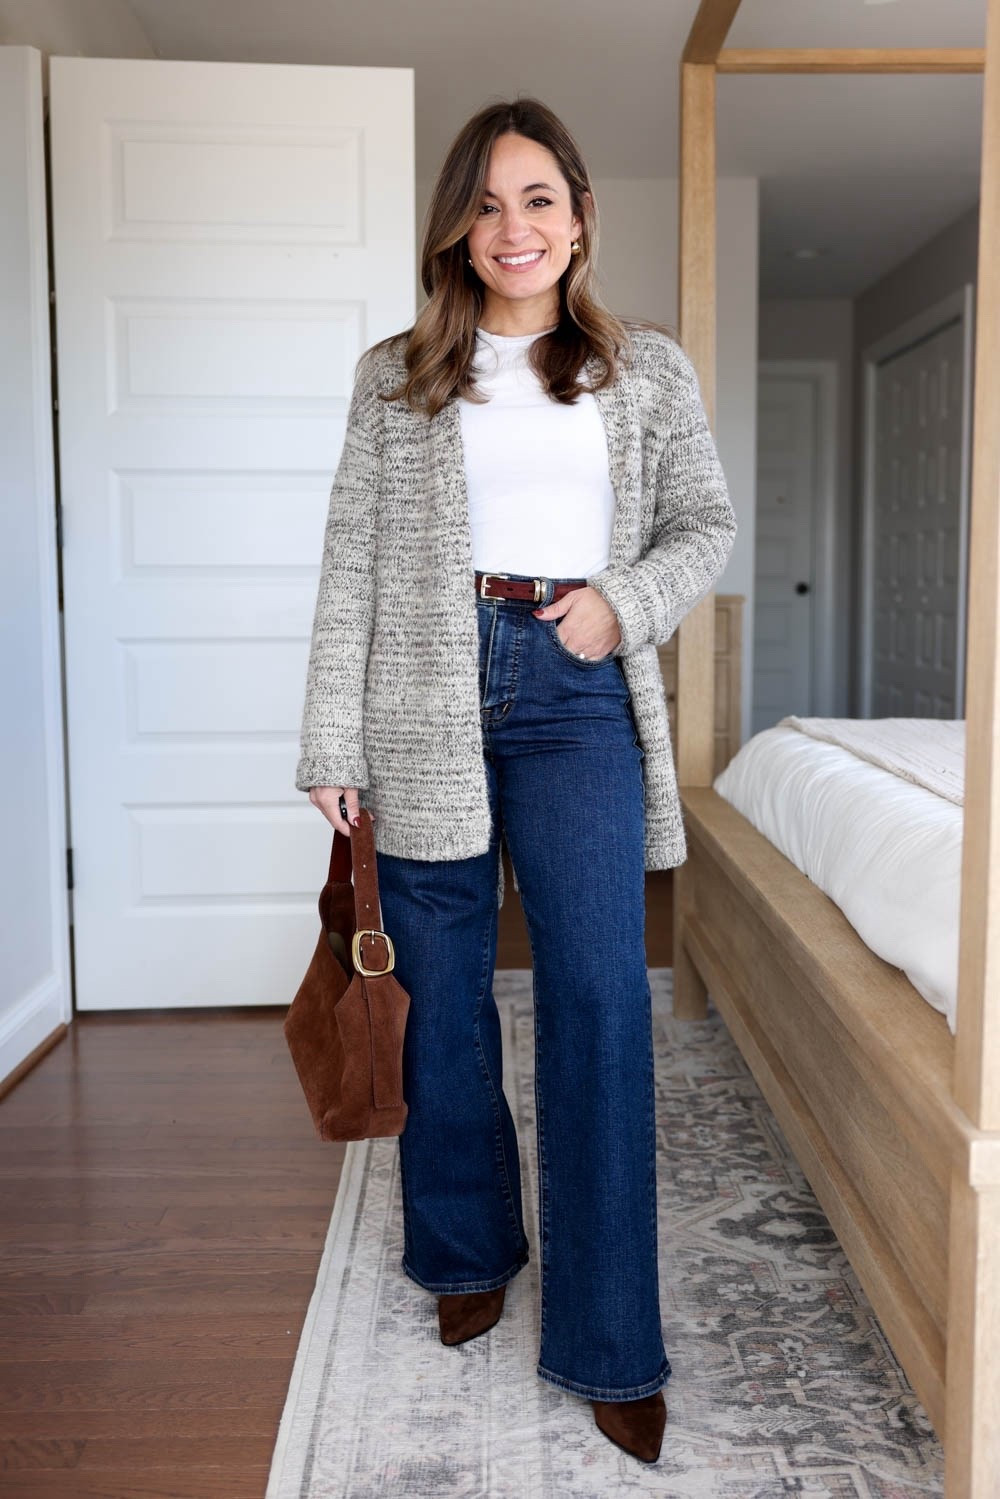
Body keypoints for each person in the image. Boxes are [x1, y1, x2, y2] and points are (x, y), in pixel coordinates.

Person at [295, 95, 737, 1465]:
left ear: (583, 215)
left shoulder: (644, 373)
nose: (513, 227)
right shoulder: (393, 378)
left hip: (573, 686)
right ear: (454, 228)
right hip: (422, 696)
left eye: (538, 198)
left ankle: (610, 1337)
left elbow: (704, 522)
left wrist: (624, 604)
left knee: (601, 999)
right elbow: (351, 567)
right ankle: (467, 1248)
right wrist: (332, 744)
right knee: (435, 1004)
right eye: (485, 204)